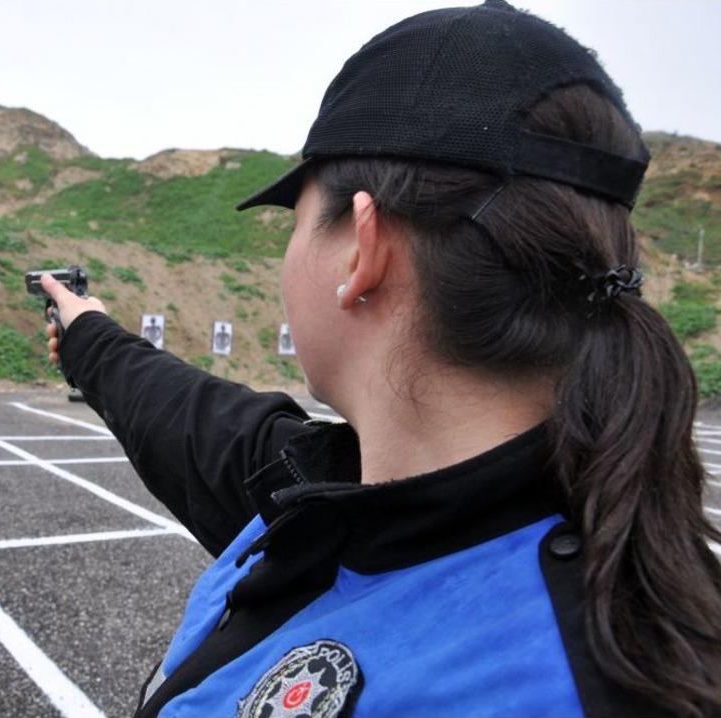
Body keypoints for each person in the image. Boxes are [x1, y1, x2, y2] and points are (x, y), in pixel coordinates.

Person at [40, 1, 721, 715]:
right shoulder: (345, 500)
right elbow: (184, 417)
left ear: (363, 250)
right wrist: (88, 334)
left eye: (296, 221)